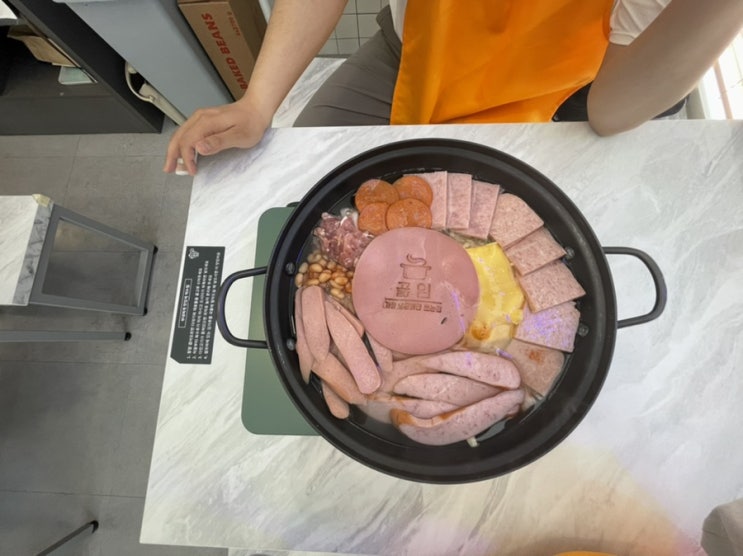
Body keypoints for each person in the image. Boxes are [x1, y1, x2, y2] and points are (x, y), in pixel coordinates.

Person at [164, 0, 743, 176]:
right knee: (303, 193)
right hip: (407, 57)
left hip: (547, 100)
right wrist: (259, 101)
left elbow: (612, 110)